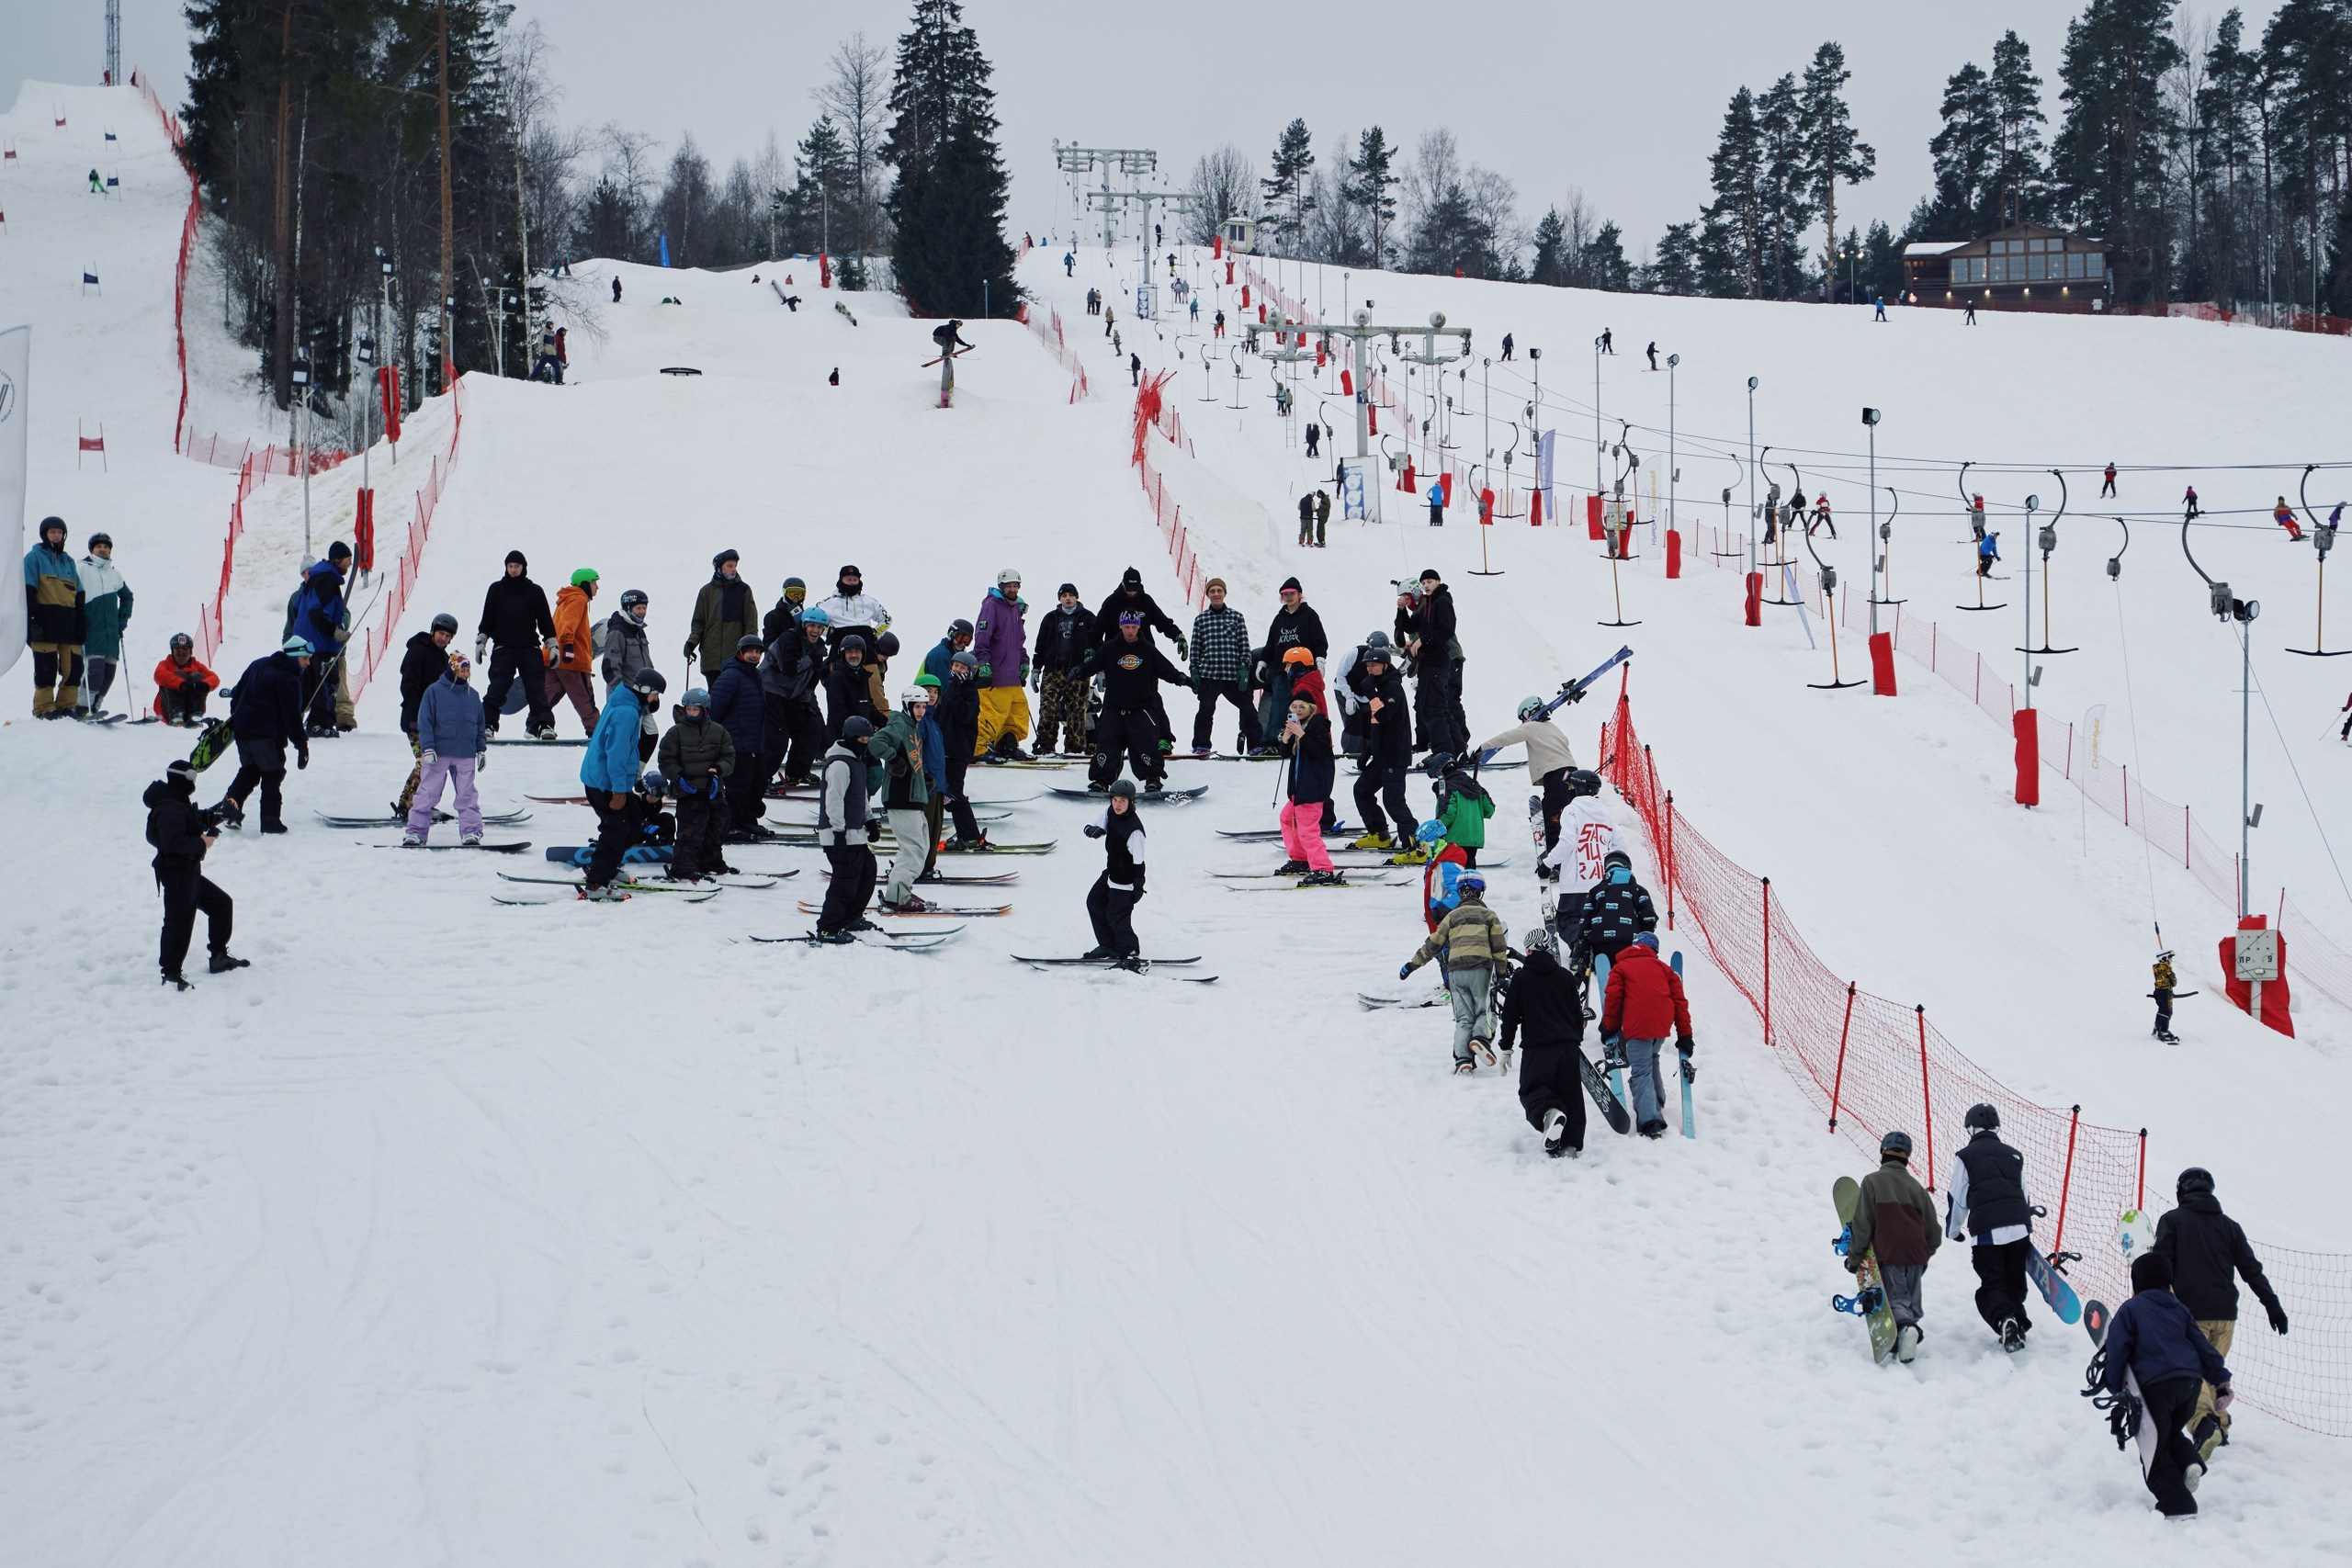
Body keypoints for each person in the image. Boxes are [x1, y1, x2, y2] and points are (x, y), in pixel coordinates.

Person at [2150, 1167, 2287, 1460]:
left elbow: (2161, 1264)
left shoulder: (2172, 1221)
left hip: (2190, 1314)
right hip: (2225, 1316)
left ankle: (2203, 1424)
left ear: (2182, 1191)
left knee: (2189, 1376)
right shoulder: (2230, 1227)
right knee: (2211, 1372)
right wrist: (2272, 1305)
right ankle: (2220, 1428)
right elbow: (2251, 1270)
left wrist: (2151, 1297)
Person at [2101, 1253, 2232, 1518]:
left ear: (2137, 1282)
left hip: (2155, 1387)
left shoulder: (2131, 1309)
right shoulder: (2180, 1309)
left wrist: (2114, 1384)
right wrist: (2221, 1381)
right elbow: (2203, 1348)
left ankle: (2177, 1504)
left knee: (2153, 1449)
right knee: (2169, 1434)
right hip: (2190, 1386)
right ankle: (2188, 1462)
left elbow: (2118, 1348)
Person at [1943, 1102, 2036, 1351]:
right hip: (2020, 1228)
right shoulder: (2015, 1155)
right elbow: (2024, 1195)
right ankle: (2018, 1321)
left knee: (1992, 1283)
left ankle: (2004, 1318)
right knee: (2014, 1280)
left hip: (1988, 1231)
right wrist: (2023, 1224)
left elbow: (1958, 1198)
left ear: (1971, 1128)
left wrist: (1953, 1231)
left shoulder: (1965, 1156)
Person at [146, 759, 244, 989]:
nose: (194, 782)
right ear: (180, 778)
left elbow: (196, 819)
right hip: (176, 874)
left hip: (188, 872)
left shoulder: (177, 801)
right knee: (178, 922)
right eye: (191, 777)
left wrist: (222, 810)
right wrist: (203, 843)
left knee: (221, 904)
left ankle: (218, 956)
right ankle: (171, 973)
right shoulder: (168, 808)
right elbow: (173, 841)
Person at [1399, 872, 1510, 1073]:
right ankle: (1480, 1039)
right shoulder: (1489, 916)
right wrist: (1502, 974)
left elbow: (1433, 945)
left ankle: (1463, 1060)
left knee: (1463, 1018)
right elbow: (1499, 947)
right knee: (1485, 1011)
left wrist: (1412, 965)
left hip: (1456, 972)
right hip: (1481, 969)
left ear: (1460, 893)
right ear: (1481, 892)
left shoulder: (1451, 917)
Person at [1846, 1130, 1940, 1361]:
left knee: (1895, 1298)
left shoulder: (1872, 1182)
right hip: (1916, 1254)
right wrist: (1923, 1253)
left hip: (1890, 1251)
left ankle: (1907, 1329)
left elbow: (1862, 1225)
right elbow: (1934, 1234)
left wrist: (1854, 1258)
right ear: (1907, 1157)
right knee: (1910, 1301)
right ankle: (1905, 1333)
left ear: (1882, 1153)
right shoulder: (1917, 1188)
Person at [581, 669, 666, 900]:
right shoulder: (627, 712)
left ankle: (609, 867)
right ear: (645, 690)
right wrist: (619, 791)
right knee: (616, 829)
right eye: (656, 694)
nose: (656, 699)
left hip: (613, 781)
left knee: (634, 821)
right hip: (605, 783)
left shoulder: (629, 705)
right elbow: (616, 754)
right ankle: (596, 884)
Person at [1499, 927, 1586, 1155]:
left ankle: (1549, 1113)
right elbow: (1577, 1014)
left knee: (1533, 1090)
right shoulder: (1566, 977)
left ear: (1528, 951)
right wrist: (1576, 1039)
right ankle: (1570, 1144)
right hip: (1568, 1047)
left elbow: (1510, 1016)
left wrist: (1506, 1047)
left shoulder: (1522, 978)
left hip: (1539, 1049)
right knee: (1571, 1094)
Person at [1080, 613, 1189, 792]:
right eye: (1126, 627)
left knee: (1146, 744)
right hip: (1115, 707)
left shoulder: (1148, 650)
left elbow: (1166, 669)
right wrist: (1080, 671)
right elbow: (1092, 665)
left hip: (1141, 708)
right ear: (1120, 626)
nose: (1130, 631)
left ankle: (1152, 779)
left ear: (1138, 627)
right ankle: (1101, 780)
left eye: (1133, 627)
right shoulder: (1109, 648)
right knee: (1107, 745)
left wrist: (1181, 678)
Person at [213, 637, 311, 833]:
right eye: (305, 658)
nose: (308, 663)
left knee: (249, 771)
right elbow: (291, 716)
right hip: (266, 734)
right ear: (294, 656)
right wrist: (301, 744)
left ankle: (230, 811)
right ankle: (270, 822)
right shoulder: (289, 679)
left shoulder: (258, 664)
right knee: (272, 774)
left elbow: (237, 694)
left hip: (242, 731)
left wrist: (238, 719)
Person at [1599, 931, 1692, 1137]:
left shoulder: (1621, 967)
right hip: (1661, 1024)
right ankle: (1656, 1098)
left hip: (1638, 1024)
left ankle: (1650, 1121)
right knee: (1652, 1056)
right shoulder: (1665, 969)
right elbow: (1679, 1002)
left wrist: (1609, 1026)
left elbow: (1613, 997)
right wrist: (1685, 1035)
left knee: (1640, 1071)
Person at [1093, 568, 1187, 753]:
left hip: (1144, 659)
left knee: (1152, 698)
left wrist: (1178, 636)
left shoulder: (1146, 601)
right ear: (1123, 584)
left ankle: (1163, 738)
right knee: (1112, 700)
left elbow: (1163, 622)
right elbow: (1096, 631)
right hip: (1117, 660)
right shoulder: (1112, 603)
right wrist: (1096, 658)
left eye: (1134, 589)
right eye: (1129, 589)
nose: (1132, 593)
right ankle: (1100, 741)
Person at [403, 649, 489, 846]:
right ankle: (416, 832)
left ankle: (471, 832)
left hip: (465, 753)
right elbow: (425, 721)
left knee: (467, 795)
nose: (465, 674)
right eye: (461, 670)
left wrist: (481, 749)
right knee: (428, 793)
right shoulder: (434, 691)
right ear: (452, 669)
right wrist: (428, 747)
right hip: (438, 753)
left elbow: (479, 725)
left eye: (467, 670)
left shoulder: (473, 696)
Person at [1480, 694, 1581, 851]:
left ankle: (1554, 854)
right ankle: (1573, 848)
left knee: (1552, 812)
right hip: (1573, 774)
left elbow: (1507, 737)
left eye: (1523, 717)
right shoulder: (1553, 727)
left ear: (1528, 712)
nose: (1523, 722)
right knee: (1567, 810)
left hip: (1557, 772)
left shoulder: (1530, 726)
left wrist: (1482, 748)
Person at [812, 716, 880, 941]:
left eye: (868, 739)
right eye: (861, 739)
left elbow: (861, 795)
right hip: (839, 833)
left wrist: (869, 820)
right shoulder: (840, 764)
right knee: (845, 881)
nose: (865, 743)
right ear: (850, 738)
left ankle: (851, 916)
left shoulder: (856, 761)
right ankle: (828, 927)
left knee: (867, 870)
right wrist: (839, 832)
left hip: (855, 833)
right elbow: (834, 800)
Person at [871, 685, 938, 912]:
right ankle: (897, 897)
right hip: (901, 798)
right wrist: (893, 759)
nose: (921, 711)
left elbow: (912, 761)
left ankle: (901, 891)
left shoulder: (913, 729)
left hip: (913, 799)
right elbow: (876, 743)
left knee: (921, 847)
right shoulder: (899, 724)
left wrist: (922, 779)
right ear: (907, 706)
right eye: (917, 707)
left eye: (924, 707)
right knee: (913, 849)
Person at [658, 685, 736, 881]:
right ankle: (683, 867)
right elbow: (666, 760)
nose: (691, 712)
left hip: (712, 788)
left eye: (695, 709)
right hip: (688, 789)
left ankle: (711, 861)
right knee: (690, 829)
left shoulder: (719, 731)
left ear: (705, 709)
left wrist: (718, 771)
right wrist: (678, 776)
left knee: (719, 824)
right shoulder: (676, 733)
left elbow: (728, 757)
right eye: (688, 709)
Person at [477, 550, 557, 738]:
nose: (513, 570)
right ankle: (487, 725)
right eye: (510, 566)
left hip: (529, 649)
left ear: (523, 568)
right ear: (506, 567)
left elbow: (545, 621)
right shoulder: (496, 589)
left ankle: (544, 725)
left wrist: (552, 645)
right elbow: (487, 619)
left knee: (536, 690)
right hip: (503, 648)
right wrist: (481, 641)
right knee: (497, 687)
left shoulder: (535, 591)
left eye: (517, 566)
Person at [1351, 644, 1419, 850]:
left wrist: (1371, 694)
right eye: (1367, 666)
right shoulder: (1380, 687)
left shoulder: (1392, 687)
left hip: (1395, 755)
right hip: (1382, 755)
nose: (1369, 669)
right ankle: (1379, 834)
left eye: (1373, 665)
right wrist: (1368, 751)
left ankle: (1414, 842)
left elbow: (1383, 715)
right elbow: (1379, 726)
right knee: (1362, 790)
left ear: (1385, 666)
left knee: (1393, 801)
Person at [394, 613, 462, 816]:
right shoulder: (418, 651)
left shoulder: (443, 658)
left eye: (447, 636)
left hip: (435, 721)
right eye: (441, 633)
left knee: (431, 762)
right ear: (433, 631)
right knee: (426, 761)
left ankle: (409, 803)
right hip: (415, 718)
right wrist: (416, 713)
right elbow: (409, 683)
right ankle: (412, 806)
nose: (443, 638)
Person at [1574, 849, 1657, 1004]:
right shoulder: (1638, 891)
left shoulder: (1596, 891)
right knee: (1628, 982)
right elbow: (1649, 919)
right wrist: (1643, 938)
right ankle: (1630, 1005)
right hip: (1630, 945)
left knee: (1610, 981)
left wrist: (1582, 949)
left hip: (1601, 946)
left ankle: (1611, 1006)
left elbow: (1585, 922)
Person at [1186, 578, 1259, 756]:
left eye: (1219, 590)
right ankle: (1201, 745)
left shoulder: (1236, 617)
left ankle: (1256, 745)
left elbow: (1244, 646)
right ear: (1208, 595)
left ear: (1224, 593)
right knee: (1205, 710)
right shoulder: (1201, 620)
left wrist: (1244, 668)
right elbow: (1196, 647)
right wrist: (1194, 670)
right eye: (1212, 591)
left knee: (1248, 709)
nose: (1216, 594)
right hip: (1209, 674)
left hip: (1233, 674)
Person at [760, 606, 831, 788]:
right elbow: (789, 669)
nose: (815, 631)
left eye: (819, 627)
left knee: (810, 729)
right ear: (804, 625)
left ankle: (797, 772)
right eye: (812, 626)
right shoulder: (788, 638)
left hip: (793, 694)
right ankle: (762, 778)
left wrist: (806, 702)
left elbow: (811, 680)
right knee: (778, 735)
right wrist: (811, 659)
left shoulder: (818, 648)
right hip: (770, 690)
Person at [1080, 778, 1148, 964]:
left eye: (1122, 801)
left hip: (1126, 879)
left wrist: (1138, 885)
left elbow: (1139, 861)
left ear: (1130, 802)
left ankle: (1130, 950)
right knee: (1094, 902)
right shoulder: (1111, 811)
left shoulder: (1134, 830)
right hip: (1111, 871)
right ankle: (1109, 945)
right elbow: (1096, 824)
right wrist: (1092, 830)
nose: (1117, 805)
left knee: (1116, 916)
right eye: (1115, 800)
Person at [1276, 687, 1340, 885]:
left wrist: (1301, 734)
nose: (1298, 710)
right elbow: (1286, 754)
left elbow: (1320, 751)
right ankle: (1300, 859)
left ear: (1310, 708)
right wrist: (1286, 739)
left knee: (1307, 830)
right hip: (1299, 789)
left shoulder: (1318, 726)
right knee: (1287, 819)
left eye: (1302, 707)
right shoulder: (1298, 726)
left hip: (1312, 788)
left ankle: (1323, 869)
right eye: (1294, 707)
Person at [24, 516, 86, 717]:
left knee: (74, 669)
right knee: (46, 669)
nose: (56, 535)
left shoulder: (69, 562)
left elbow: (79, 594)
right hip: (45, 623)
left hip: (68, 624)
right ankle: (44, 708)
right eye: (52, 532)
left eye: (60, 532)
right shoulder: (33, 558)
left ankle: (67, 706)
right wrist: (33, 617)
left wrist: (81, 620)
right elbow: (28, 589)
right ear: (45, 534)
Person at [1398, 568, 1464, 757]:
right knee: (1433, 706)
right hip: (1429, 662)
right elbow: (1411, 626)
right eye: (1424, 583)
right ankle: (1457, 749)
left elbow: (1447, 629)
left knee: (1436, 707)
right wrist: (1401, 610)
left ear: (1438, 582)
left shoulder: (1442, 601)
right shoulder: (1428, 603)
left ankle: (1444, 752)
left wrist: (1423, 640)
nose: (1426, 585)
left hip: (1439, 660)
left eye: (1430, 582)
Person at [707, 635, 770, 833]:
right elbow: (714, 709)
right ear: (741, 653)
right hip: (736, 742)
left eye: (758, 652)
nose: (754, 655)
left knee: (758, 782)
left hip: (754, 742)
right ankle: (731, 825)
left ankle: (747, 819)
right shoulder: (731, 676)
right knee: (739, 786)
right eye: (750, 651)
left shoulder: (756, 675)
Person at [1256, 576, 1328, 747]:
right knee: (1279, 708)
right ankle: (1273, 743)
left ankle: (1307, 741)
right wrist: (1262, 663)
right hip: (1283, 671)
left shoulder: (1310, 615)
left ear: (1299, 595)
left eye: (1292, 593)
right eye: (1285, 594)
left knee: (1304, 707)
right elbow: (1270, 645)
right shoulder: (1279, 619)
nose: (1288, 597)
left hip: (1304, 672)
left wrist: (1320, 660)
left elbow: (1320, 641)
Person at [972, 568, 1034, 761]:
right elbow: (982, 636)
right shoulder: (992, 606)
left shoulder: (1015, 608)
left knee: (1017, 712)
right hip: (996, 676)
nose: (1013, 589)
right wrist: (983, 663)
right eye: (1009, 586)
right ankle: (976, 748)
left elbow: (1019, 642)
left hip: (1012, 676)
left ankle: (1007, 745)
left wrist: (1023, 663)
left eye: (1015, 586)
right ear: (1001, 586)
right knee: (992, 714)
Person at [1032, 583, 1097, 756]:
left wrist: (1099, 668)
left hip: (1079, 671)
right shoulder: (1050, 618)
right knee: (1048, 707)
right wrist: (1036, 669)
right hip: (1053, 670)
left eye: (1071, 595)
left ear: (1076, 597)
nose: (1068, 598)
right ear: (1060, 599)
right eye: (1064, 595)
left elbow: (1098, 644)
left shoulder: (1088, 618)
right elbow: (1040, 646)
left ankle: (1074, 749)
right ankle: (1045, 745)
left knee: (1077, 710)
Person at [74, 531, 133, 718]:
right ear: (92, 549)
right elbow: (70, 593)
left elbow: (127, 596)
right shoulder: (81, 568)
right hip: (92, 631)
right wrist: (78, 618)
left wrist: (122, 618)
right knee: (95, 671)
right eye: (98, 546)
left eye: (106, 546)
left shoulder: (114, 574)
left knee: (109, 674)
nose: (102, 549)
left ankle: (95, 706)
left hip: (111, 633)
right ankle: (82, 707)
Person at [934, 651, 989, 849]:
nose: (957, 670)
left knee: (953, 793)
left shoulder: (970, 692)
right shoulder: (950, 688)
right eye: (955, 666)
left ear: (971, 671)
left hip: (957, 751)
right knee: (947, 792)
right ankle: (966, 833)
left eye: (962, 667)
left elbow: (964, 716)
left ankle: (970, 836)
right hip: (944, 749)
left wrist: (957, 689)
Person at [684, 549, 754, 678]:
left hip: (736, 659)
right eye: (729, 566)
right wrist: (691, 643)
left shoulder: (743, 590)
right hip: (711, 660)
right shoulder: (706, 592)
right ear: (719, 568)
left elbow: (751, 624)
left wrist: (750, 649)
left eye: (735, 566)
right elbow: (698, 623)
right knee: (714, 690)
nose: (733, 570)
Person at [547, 568, 602, 733]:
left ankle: (537, 724)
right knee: (583, 697)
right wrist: (568, 645)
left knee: (548, 694)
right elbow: (568, 622)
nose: (597, 587)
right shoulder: (578, 598)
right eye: (594, 583)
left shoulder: (566, 599)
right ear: (584, 584)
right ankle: (595, 730)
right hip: (571, 659)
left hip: (553, 655)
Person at [1424, 753, 1494, 867]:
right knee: (1469, 869)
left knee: (1456, 871)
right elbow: (1489, 809)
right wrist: (1473, 812)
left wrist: (1435, 830)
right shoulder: (1475, 786)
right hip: (1474, 838)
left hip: (1455, 838)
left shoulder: (1449, 787)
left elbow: (1448, 813)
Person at [814, 564, 889, 651]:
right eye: (848, 579)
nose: (852, 582)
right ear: (841, 580)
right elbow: (814, 621)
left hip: (866, 648)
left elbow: (887, 620)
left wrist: (875, 634)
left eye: (855, 580)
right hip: (840, 648)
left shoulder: (870, 601)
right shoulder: (829, 603)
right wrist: (830, 633)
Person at [152, 633, 219, 726]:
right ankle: (176, 715)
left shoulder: (197, 666)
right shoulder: (165, 664)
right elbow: (159, 675)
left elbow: (214, 678)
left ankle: (195, 715)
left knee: (197, 677)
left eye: (185, 651)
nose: (181, 655)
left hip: (191, 708)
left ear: (190, 652)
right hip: (168, 709)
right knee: (176, 675)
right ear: (172, 652)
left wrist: (204, 685)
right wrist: (181, 684)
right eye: (177, 651)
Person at [824, 633, 883, 738]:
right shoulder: (836, 677)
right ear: (843, 654)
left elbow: (868, 707)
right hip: (843, 738)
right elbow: (838, 713)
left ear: (863, 654)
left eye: (857, 651)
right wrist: (858, 733)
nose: (854, 655)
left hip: (863, 736)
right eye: (849, 652)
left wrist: (888, 723)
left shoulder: (862, 675)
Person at [600, 588, 654, 696]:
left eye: (644, 608)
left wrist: (652, 688)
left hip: (642, 694)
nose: (642, 612)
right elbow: (610, 666)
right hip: (624, 695)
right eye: (638, 608)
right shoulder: (617, 632)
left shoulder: (638, 630)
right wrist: (620, 691)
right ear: (628, 608)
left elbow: (647, 663)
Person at [762, 576, 809, 646]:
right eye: (792, 593)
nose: (796, 597)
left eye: (800, 594)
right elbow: (768, 643)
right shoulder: (773, 616)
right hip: (781, 651)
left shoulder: (805, 617)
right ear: (784, 592)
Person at [924, 618, 975, 683]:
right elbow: (944, 685)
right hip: (924, 689)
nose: (963, 643)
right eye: (960, 638)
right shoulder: (940, 654)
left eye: (967, 641)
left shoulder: (956, 656)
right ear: (951, 634)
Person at [2151, 950, 2179, 1043]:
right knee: (2167, 1011)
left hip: (2158, 991)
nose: (2171, 960)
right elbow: (2174, 982)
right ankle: (2163, 1031)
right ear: (2165, 958)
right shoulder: (2167, 968)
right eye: (2170, 958)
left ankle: (2157, 1027)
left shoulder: (2156, 967)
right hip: (2166, 992)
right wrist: (2170, 970)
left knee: (2162, 1010)